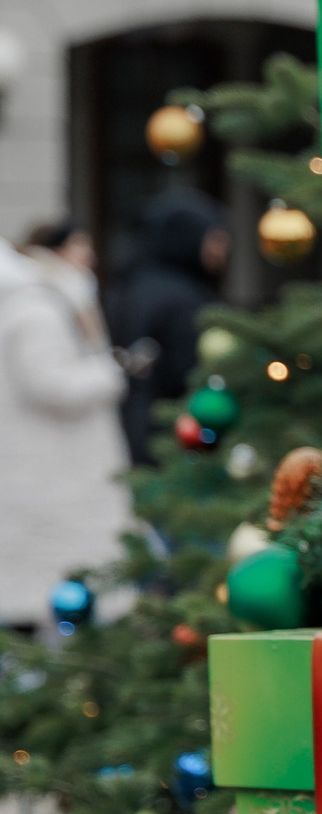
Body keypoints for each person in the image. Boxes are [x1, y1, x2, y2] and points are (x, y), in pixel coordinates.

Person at [0, 221, 128, 633]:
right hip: (53, 474)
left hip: (43, 471)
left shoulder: (36, 301)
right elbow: (51, 383)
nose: (89, 257)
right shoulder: (37, 307)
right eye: (79, 247)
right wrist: (111, 373)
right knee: (55, 587)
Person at [112, 187, 230, 466]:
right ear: (189, 238)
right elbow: (188, 372)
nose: (222, 249)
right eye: (215, 238)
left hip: (128, 428)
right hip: (177, 434)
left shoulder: (129, 286)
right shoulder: (184, 299)